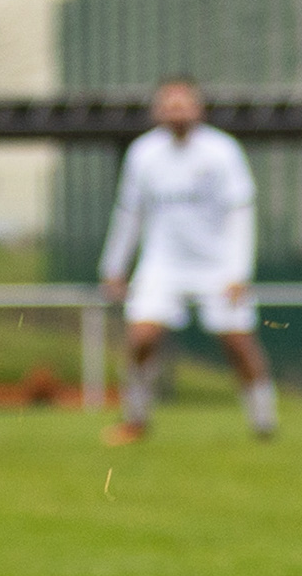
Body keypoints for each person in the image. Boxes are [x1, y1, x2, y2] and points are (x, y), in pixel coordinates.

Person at [99, 77, 276, 446]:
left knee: (238, 344)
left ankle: (263, 420)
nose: (176, 111)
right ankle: (135, 419)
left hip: (218, 267)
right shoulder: (143, 154)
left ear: (198, 108)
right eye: (169, 104)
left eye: (184, 104)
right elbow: (129, 213)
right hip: (162, 265)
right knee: (142, 338)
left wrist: (239, 271)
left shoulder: (222, 151)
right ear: (157, 110)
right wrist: (114, 268)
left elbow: (241, 212)